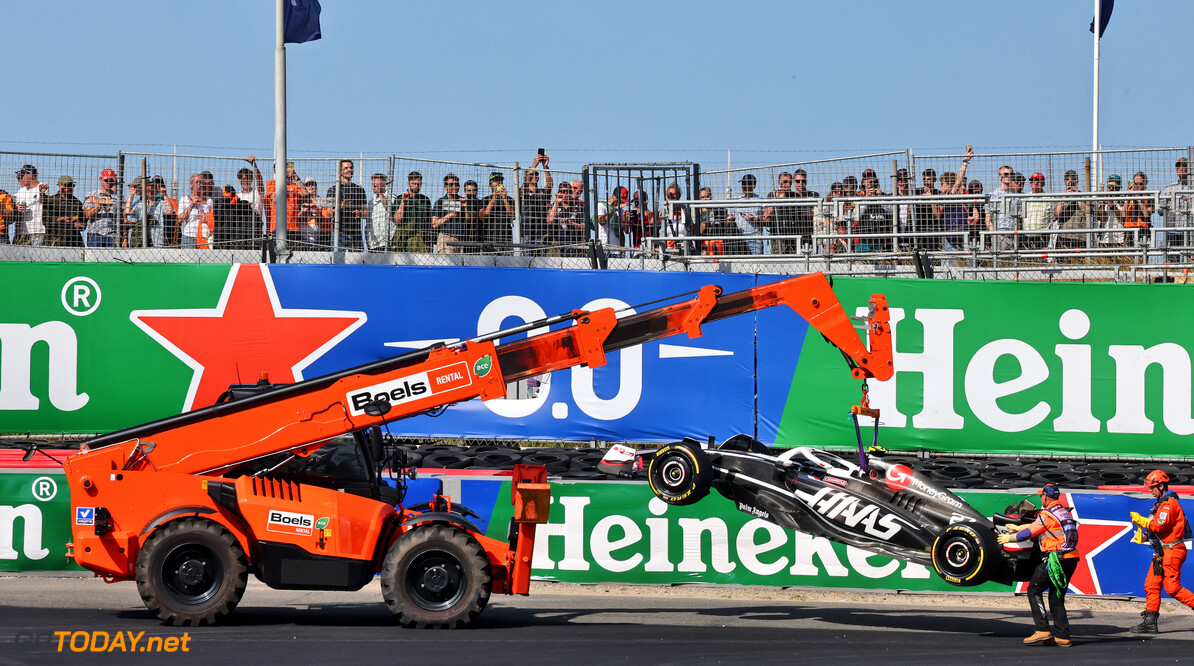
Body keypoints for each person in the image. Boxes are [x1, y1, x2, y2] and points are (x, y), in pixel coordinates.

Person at [996, 483, 1079, 648]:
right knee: (1056, 597)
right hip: (1071, 558)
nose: (1042, 498)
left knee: (1034, 589)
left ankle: (1042, 629)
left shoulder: (1047, 513)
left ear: (1046, 497)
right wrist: (1019, 527)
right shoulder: (1063, 511)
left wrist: (1010, 538)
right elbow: (1041, 526)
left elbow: (1030, 533)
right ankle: (1063, 636)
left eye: (1042, 495)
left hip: (1055, 559)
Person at [1127, 469, 1194, 634]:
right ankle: (1150, 622)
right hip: (1162, 553)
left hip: (1172, 551)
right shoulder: (1160, 504)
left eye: (1152, 487)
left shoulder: (1169, 504)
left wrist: (1141, 520)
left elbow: (1159, 526)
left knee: (1172, 588)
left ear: (1162, 486)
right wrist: (1143, 536)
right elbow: (1157, 530)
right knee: (1151, 585)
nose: (1150, 490)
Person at [327, 159, 368, 251]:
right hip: (339, 231)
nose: (349, 170)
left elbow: (366, 213)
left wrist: (360, 214)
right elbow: (329, 213)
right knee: (337, 260)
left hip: (356, 233)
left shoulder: (359, 190)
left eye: (351, 168)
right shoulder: (333, 190)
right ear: (340, 171)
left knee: (358, 263)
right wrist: (341, 206)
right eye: (346, 168)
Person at [519, 152, 554, 252]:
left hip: (541, 232)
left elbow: (550, 185)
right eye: (532, 174)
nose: (534, 176)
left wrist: (545, 167)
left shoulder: (542, 191)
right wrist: (534, 164)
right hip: (527, 233)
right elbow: (525, 183)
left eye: (537, 174)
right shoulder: (523, 190)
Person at [477, 172, 514, 253]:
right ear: (490, 184)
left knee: (507, 262)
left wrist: (504, 199)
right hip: (489, 237)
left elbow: (513, 216)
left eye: (500, 180)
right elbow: (482, 217)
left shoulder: (509, 199)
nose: (498, 183)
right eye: (495, 180)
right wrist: (493, 200)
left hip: (506, 237)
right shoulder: (485, 200)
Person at [83, 168, 120, 248]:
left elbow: (121, 217)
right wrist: (100, 205)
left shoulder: (117, 197)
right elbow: (88, 215)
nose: (109, 183)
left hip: (112, 234)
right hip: (95, 234)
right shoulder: (92, 195)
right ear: (101, 180)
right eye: (107, 181)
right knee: (94, 259)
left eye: (111, 181)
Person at [44, 176, 85, 247]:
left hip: (74, 242)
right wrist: (61, 219)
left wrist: (80, 225)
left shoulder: (77, 203)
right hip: (55, 240)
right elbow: (45, 220)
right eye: (67, 185)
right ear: (59, 185)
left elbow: (83, 222)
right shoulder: (51, 201)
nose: (69, 188)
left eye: (72, 185)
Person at [727, 174, 764, 254]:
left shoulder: (760, 200)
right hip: (739, 237)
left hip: (755, 238)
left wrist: (754, 220)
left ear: (754, 186)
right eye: (743, 183)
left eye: (747, 184)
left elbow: (766, 221)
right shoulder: (735, 200)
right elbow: (728, 221)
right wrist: (730, 219)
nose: (744, 186)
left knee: (756, 264)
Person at [13, 164, 49, 245]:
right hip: (21, 231)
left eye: (21, 176)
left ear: (30, 175)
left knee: (36, 256)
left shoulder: (41, 187)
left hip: (37, 231)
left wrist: (42, 193)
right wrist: (17, 207)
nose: (20, 179)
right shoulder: (21, 191)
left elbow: (44, 200)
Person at [176, 173, 214, 249]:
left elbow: (212, 219)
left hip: (203, 236)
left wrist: (206, 220)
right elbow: (180, 220)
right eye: (197, 182)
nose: (199, 184)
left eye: (201, 182)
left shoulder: (209, 201)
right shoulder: (184, 199)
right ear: (191, 185)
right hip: (189, 236)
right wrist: (191, 205)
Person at [1160, 157, 1191, 247]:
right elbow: (1160, 212)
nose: (1180, 169)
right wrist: (1168, 201)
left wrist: (1189, 203)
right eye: (1178, 166)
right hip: (1172, 229)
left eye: (1184, 166)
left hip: (1189, 229)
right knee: (1172, 257)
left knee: (1189, 256)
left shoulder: (1192, 187)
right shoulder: (1168, 188)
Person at [431, 173, 465, 254]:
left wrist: (466, 207)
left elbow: (469, 221)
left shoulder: (462, 201)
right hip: (446, 237)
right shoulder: (440, 202)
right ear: (445, 188)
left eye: (456, 184)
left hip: (460, 238)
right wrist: (449, 216)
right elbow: (434, 224)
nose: (454, 187)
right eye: (451, 185)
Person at [986, 165, 1017, 251]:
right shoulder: (992, 195)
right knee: (999, 261)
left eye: (1011, 174)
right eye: (1006, 174)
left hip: (1013, 235)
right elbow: (988, 218)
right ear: (1000, 176)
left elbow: (1019, 218)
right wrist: (994, 234)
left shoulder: (1017, 196)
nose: (1008, 176)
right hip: (999, 233)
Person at [1021, 172, 1052, 250]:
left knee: (1042, 260)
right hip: (1027, 236)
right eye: (1032, 181)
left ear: (1043, 184)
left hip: (1043, 237)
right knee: (1029, 260)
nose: (1035, 183)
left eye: (1038, 181)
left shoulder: (1049, 199)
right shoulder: (1025, 198)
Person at [366, 173, 397, 252]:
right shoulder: (370, 202)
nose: (375, 186)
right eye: (374, 184)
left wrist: (380, 194)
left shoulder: (391, 197)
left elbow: (389, 208)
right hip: (373, 243)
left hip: (387, 242)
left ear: (385, 185)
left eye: (378, 184)